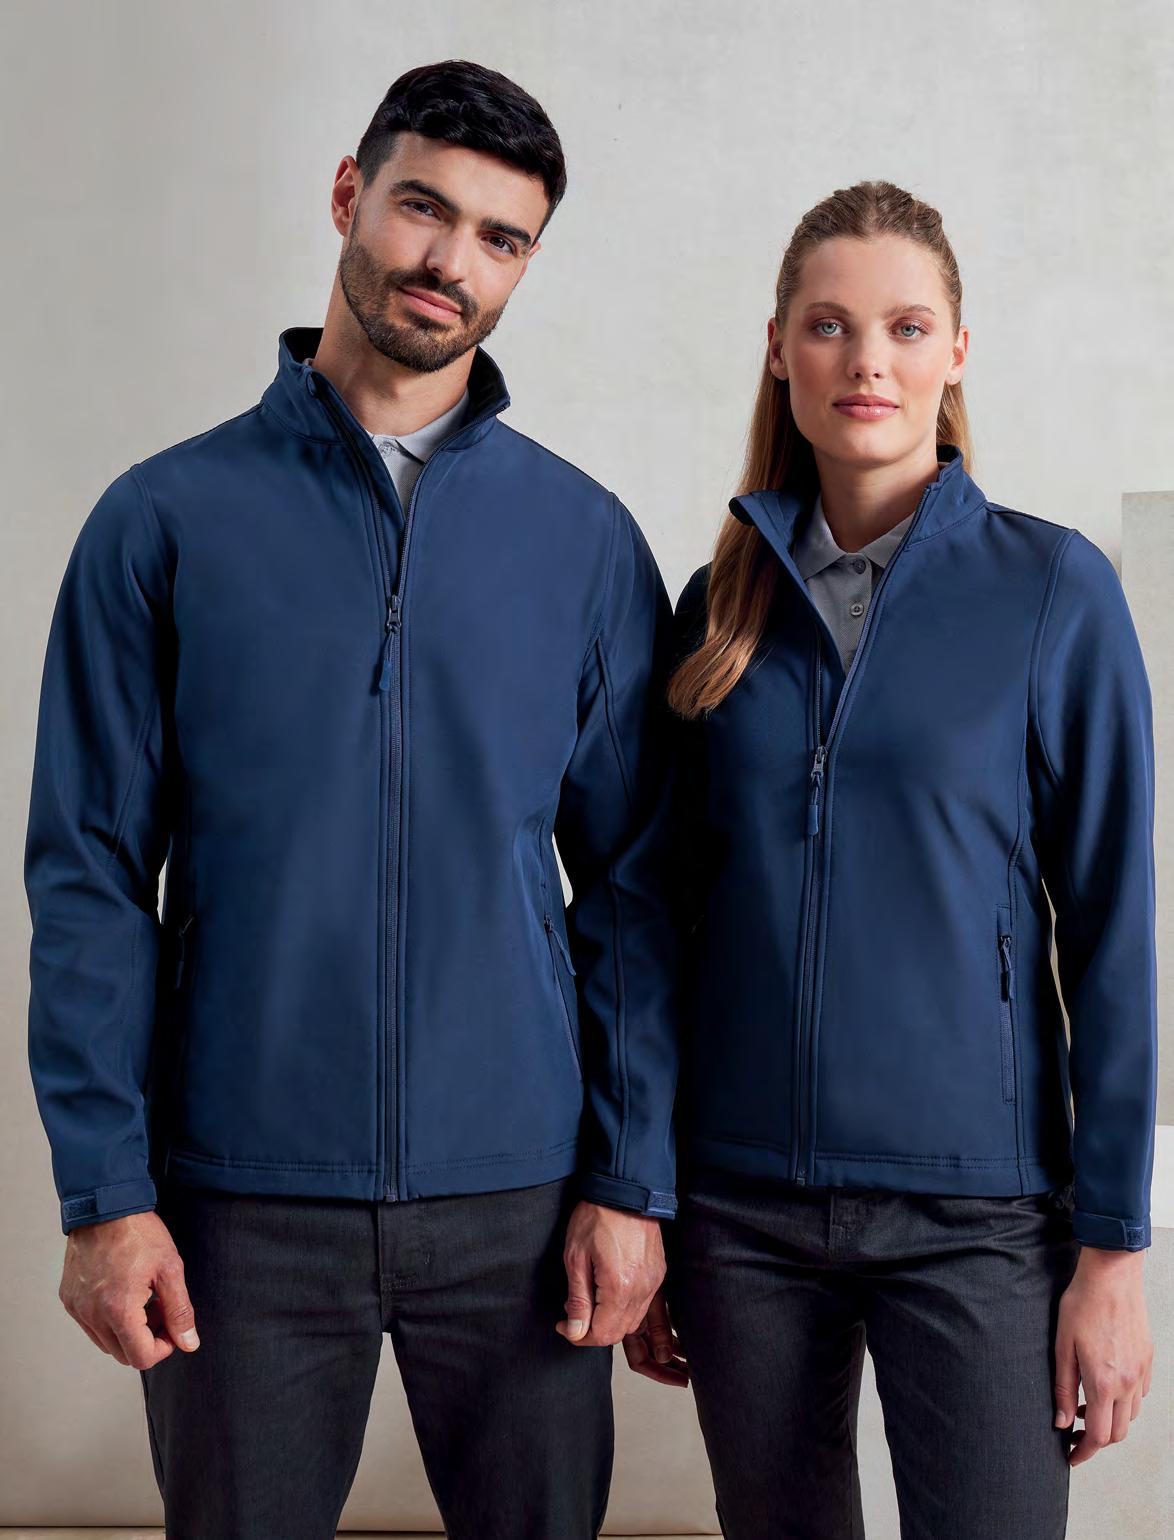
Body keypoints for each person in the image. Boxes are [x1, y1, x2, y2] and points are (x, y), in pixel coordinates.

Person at [24, 60, 679, 1540]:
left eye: (500, 238)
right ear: (348, 196)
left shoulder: (582, 543)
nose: (451, 261)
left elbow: (638, 892)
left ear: (525, 265)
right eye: (422, 209)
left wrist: (633, 1182)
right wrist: (104, 1193)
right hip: (236, 1206)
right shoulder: (163, 520)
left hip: (520, 1201)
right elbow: (89, 877)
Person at [625, 180, 1156, 1539]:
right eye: (829, 325)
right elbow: (653, 924)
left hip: (978, 1213)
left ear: (956, 352)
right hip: (739, 1207)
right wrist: (642, 1194)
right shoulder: (714, 610)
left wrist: (1112, 1250)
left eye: (906, 327)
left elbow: (1113, 934)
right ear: (778, 349)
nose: (867, 360)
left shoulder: (1054, 591)